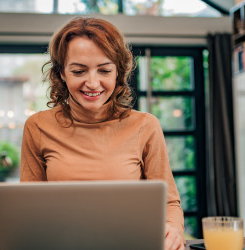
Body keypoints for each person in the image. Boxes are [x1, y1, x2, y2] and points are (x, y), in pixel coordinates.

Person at [20, 16, 186, 250]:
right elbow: (29, 209)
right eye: (79, 71)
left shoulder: (145, 126)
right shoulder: (37, 127)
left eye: (104, 70)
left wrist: (173, 230)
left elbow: (169, 203)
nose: (93, 83)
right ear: (61, 74)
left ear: (118, 72)